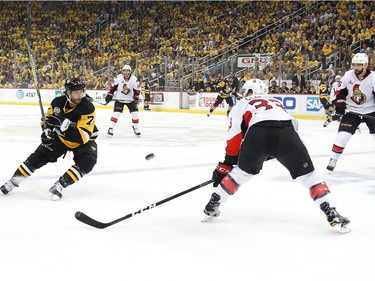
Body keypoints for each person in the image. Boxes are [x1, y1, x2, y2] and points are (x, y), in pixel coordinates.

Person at [202, 79, 350, 233]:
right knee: (309, 175)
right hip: (286, 132)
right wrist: (286, 151)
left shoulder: (242, 102)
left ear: (247, 91)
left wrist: (227, 163)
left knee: (242, 172)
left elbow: (235, 135)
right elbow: (293, 125)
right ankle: (331, 212)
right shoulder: (275, 101)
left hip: (257, 134)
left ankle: (213, 203)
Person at [0, 78, 98, 200]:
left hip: (84, 141)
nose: (79, 95)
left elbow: (82, 137)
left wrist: (64, 125)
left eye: (81, 92)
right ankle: (13, 181)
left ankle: (60, 185)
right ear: (68, 93)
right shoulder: (57, 102)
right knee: (37, 157)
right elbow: (46, 121)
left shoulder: (87, 108)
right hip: (61, 139)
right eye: (75, 92)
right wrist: (46, 132)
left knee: (88, 161)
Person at [327, 53, 375, 171]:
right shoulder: (348, 75)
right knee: (342, 136)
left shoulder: (373, 77)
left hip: (371, 110)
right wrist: (340, 108)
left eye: (359, 65)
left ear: (366, 65)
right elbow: (341, 93)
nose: (356, 68)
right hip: (352, 110)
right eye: (354, 65)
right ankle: (333, 159)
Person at [105, 64, 141, 137]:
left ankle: (136, 128)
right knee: (116, 114)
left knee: (135, 114)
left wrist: (136, 97)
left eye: (128, 71)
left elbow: (137, 90)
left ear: (130, 71)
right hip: (119, 99)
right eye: (124, 71)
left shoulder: (134, 79)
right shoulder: (118, 78)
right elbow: (113, 87)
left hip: (130, 100)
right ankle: (110, 128)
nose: (126, 73)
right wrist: (110, 94)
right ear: (122, 71)